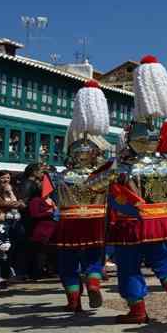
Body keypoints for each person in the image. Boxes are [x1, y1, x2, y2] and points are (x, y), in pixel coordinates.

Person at [90, 55, 167, 323]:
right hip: (163, 220)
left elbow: (93, 184)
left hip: (130, 223)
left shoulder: (121, 166)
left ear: (131, 138)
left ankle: (137, 309)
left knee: (129, 266)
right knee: (163, 260)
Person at [51, 80, 113, 312]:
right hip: (96, 220)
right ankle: (94, 283)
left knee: (67, 264)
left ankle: (73, 301)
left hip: (69, 222)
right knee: (93, 259)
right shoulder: (101, 176)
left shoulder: (60, 175)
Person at [0, 170, 25, 281]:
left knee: (13, 248)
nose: (6, 180)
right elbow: (1, 203)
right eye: (3, 178)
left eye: (7, 178)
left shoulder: (13, 190)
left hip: (16, 223)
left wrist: (11, 193)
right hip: (2, 223)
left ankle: (7, 274)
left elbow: (23, 204)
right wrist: (16, 203)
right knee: (1, 248)